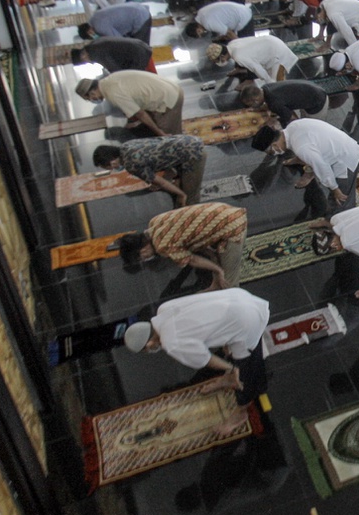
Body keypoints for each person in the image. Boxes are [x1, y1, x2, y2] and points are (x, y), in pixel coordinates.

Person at [123, 288, 271, 437]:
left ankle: (240, 413)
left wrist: (233, 368)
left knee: (246, 373)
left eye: (147, 350)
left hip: (247, 319)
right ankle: (230, 378)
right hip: (235, 299)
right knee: (232, 352)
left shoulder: (172, 343)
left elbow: (206, 359)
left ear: (148, 344)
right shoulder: (163, 310)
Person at [117, 203, 248, 290]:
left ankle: (239, 308)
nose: (146, 259)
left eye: (143, 258)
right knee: (214, 260)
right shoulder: (154, 222)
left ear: (143, 249)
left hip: (232, 225)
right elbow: (187, 236)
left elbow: (192, 259)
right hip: (224, 209)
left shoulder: (162, 246)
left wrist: (218, 271)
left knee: (227, 283)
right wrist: (211, 255)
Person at [250, 120, 359, 215]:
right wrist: (297, 160)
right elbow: (309, 145)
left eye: (270, 152)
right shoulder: (292, 127)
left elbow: (322, 167)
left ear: (275, 145)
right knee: (312, 159)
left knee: (340, 199)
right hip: (338, 144)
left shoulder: (301, 148)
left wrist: (334, 188)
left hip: (345, 158)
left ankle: (341, 220)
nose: (274, 153)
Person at [91, 135, 206, 207]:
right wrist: (167, 176)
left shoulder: (131, 164)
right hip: (188, 139)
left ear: (111, 162)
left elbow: (161, 183)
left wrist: (181, 195)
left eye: (107, 168)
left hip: (193, 153)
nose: (111, 170)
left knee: (190, 198)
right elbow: (158, 156)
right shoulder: (126, 145)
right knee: (179, 183)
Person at [75, 71, 184, 136]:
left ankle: (186, 168)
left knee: (171, 138)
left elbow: (140, 114)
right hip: (171, 88)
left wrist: (159, 132)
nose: (93, 100)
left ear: (92, 92)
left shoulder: (112, 94)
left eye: (90, 98)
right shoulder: (109, 80)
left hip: (167, 99)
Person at [208, 35, 299, 83]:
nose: (220, 63)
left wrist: (268, 81)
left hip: (276, 52)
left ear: (222, 56)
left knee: (277, 83)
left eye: (218, 60)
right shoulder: (232, 43)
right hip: (271, 42)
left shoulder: (238, 56)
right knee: (275, 79)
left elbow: (256, 68)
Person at [239, 80, 328, 124]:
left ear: (256, 100)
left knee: (311, 125)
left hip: (318, 101)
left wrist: (274, 121)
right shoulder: (265, 87)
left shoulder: (274, 103)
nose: (253, 107)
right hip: (313, 88)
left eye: (251, 105)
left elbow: (287, 116)